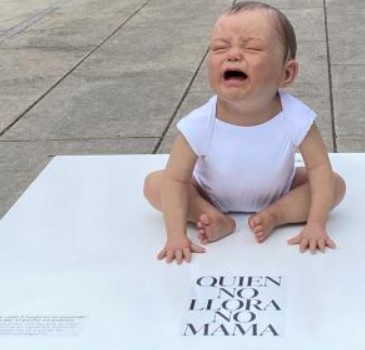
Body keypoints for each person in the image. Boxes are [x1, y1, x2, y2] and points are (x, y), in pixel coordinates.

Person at [143, 1, 346, 264]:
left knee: (334, 183)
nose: (233, 55)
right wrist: (176, 235)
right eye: (219, 48)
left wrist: (317, 224)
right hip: (209, 194)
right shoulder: (200, 122)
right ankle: (211, 215)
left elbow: (319, 168)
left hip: (278, 191)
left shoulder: (296, 117)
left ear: (286, 73)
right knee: (155, 184)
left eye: (252, 47)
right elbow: (175, 181)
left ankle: (277, 214)